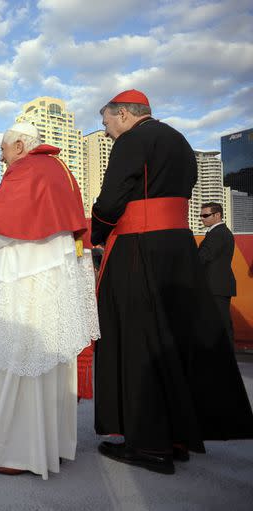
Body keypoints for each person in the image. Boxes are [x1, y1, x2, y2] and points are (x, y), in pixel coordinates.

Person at [92, 90, 253, 475]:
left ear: (127, 114)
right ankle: (177, 434)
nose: (106, 129)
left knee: (138, 340)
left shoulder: (133, 140)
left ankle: (149, 443)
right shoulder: (179, 140)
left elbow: (113, 198)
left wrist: (96, 229)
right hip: (177, 248)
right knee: (172, 342)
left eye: (107, 120)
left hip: (139, 248)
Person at [0, 123, 99, 479]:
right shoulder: (61, 171)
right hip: (51, 280)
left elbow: (0, 227)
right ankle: (50, 447)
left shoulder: (25, 169)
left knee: (20, 357)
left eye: (2, 149)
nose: (1, 157)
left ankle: (16, 453)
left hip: (24, 281)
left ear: (18, 144)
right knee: (48, 361)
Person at [198, 202, 237, 350]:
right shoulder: (218, 232)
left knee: (221, 322)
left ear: (217, 215)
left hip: (216, 286)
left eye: (206, 215)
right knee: (218, 322)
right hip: (216, 285)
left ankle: (226, 355)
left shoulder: (218, 233)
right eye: (201, 215)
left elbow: (203, 257)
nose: (202, 218)